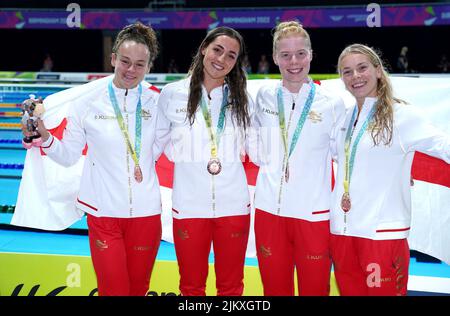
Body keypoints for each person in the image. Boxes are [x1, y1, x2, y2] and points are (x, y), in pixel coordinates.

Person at [22, 22, 170, 296]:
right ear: (113, 58)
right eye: (125, 61)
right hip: (103, 214)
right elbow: (68, 156)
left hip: (146, 214)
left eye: (140, 64)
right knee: (112, 290)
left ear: (149, 66)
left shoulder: (160, 103)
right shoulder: (87, 102)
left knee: (138, 290)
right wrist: (46, 138)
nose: (131, 70)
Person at [330, 43, 450, 295]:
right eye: (347, 71)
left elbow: (441, 145)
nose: (355, 76)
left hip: (382, 233)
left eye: (362, 68)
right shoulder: (344, 118)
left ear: (378, 70)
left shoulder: (402, 115)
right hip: (342, 230)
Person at [157, 26, 253, 296]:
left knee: (232, 287)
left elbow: (260, 148)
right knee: (191, 287)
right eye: (217, 50)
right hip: (189, 206)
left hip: (233, 206)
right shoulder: (172, 94)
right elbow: (152, 147)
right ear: (204, 49)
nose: (222, 59)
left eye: (231, 55)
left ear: (236, 63)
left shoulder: (243, 98)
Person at [253, 21, 346, 296]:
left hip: (313, 216)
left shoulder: (331, 102)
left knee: (315, 290)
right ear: (274, 58)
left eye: (300, 53)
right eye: (285, 55)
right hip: (270, 213)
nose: (294, 62)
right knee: (274, 291)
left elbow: (346, 152)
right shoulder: (264, 96)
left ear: (311, 54)